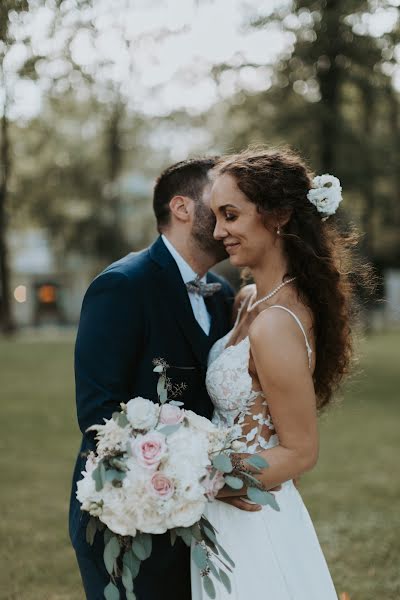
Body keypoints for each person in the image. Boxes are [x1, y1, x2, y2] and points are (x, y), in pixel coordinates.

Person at [191, 147, 360, 599]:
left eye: (231, 215)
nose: (219, 230)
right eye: (215, 215)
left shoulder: (275, 324)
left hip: (251, 514)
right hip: (225, 508)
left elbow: (301, 452)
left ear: (279, 216)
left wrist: (202, 479)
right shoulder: (248, 300)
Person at [69, 157, 236, 600]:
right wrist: (174, 472)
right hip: (128, 520)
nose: (228, 217)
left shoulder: (225, 296)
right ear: (181, 208)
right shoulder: (122, 286)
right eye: (219, 204)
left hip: (204, 515)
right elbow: (98, 411)